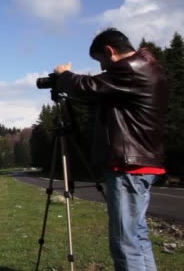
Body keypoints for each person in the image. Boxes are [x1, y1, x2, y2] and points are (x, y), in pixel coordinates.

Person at [53, 28, 168, 271]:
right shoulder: (148, 66)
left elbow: (89, 86)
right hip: (141, 162)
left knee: (124, 242)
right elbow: (99, 92)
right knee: (137, 234)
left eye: (101, 61)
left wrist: (64, 75)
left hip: (128, 166)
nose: (103, 69)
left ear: (110, 51)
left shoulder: (130, 68)